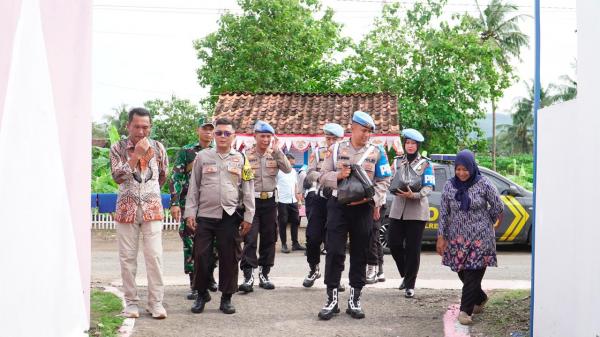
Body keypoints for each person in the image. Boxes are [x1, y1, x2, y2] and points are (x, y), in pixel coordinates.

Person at [317, 111, 392, 320]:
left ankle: (355, 299)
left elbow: (384, 181)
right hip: (338, 206)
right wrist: (338, 175)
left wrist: (373, 201)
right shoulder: (335, 150)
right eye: (363, 130)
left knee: (360, 252)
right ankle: (331, 299)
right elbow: (322, 177)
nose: (366, 135)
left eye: (369, 131)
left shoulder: (378, 152)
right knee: (334, 252)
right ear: (352, 128)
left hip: (363, 209)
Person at [183, 118, 256, 314]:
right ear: (214, 135)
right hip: (205, 215)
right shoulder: (203, 157)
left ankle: (226, 297)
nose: (222, 136)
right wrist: (190, 212)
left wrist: (249, 216)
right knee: (201, 256)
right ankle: (201, 294)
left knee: (229, 258)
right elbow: (194, 187)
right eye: (219, 133)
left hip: (230, 215)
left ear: (233, 136)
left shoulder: (241, 159)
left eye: (226, 133)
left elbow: (248, 189)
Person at [110, 107, 169, 319]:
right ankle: (131, 303)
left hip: (152, 208)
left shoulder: (159, 148)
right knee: (127, 258)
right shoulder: (117, 148)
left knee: (154, 256)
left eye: (145, 127)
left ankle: (156, 303)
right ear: (128, 126)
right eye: (137, 126)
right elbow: (117, 177)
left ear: (150, 127)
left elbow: (162, 177)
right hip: (126, 210)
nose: (141, 131)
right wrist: (135, 155)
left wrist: (148, 195)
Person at [436, 149, 503, 325]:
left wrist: (487, 220)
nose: (462, 173)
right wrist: (441, 236)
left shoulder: (484, 184)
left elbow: (498, 205)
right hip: (457, 238)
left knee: (473, 273)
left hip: (480, 237)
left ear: (472, 168)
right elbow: (443, 213)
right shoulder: (450, 186)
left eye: (465, 169)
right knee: (462, 272)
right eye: (458, 169)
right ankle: (479, 298)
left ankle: (465, 311)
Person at [238, 121, 292, 292]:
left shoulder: (275, 154)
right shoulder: (245, 155)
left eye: (269, 136)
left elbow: (288, 169)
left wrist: (277, 151)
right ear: (255, 136)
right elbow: (240, 180)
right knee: (250, 238)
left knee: (269, 238)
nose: (266, 139)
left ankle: (264, 274)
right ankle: (248, 276)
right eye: (263, 136)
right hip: (251, 203)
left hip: (269, 202)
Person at [168, 117, 217, 300]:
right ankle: (194, 284)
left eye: (211, 129)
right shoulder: (187, 151)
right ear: (198, 130)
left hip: (212, 206)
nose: (208, 132)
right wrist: (174, 202)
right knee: (191, 245)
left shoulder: (218, 151)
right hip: (190, 205)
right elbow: (176, 177)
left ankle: (209, 276)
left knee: (214, 244)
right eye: (205, 129)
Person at [387, 129, 435, 298]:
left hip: (417, 211)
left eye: (413, 143)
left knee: (413, 249)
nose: (410, 146)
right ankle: (406, 275)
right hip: (398, 208)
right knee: (393, 244)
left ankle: (410, 285)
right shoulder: (397, 161)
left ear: (418, 146)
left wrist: (414, 195)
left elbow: (429, 187)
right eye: (407, 143)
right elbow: (390, 179)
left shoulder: (426, 164)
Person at [302, 123, 344, 289]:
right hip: (320, 199)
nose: (331, 141)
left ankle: (336, 277)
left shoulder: (345, 154)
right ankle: (314, 268)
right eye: (328, 138)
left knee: (334, 243)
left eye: (334, 138)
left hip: (337, 199)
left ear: (340, 139)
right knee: (312, 238)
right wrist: (324, 177)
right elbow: (310, 172)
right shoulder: (318, 151)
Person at [276, 153, 305, 253]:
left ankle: (295, 243)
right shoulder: (278, 171)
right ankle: (284, 244)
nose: (291, 166)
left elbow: (295, 186)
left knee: (296, 221)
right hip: (282, 200)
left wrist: (299, 200)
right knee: (283, 222)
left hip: (293, 200)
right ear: (286, 161)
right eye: (291, 163)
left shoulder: (293, 171)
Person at [365, 203, 387, 284]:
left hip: (377, 205)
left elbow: (380, 190)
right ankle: (380, 271)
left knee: (372, 235)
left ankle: (372, 268)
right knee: (375, 237)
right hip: (368, 205)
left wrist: (377, 208)